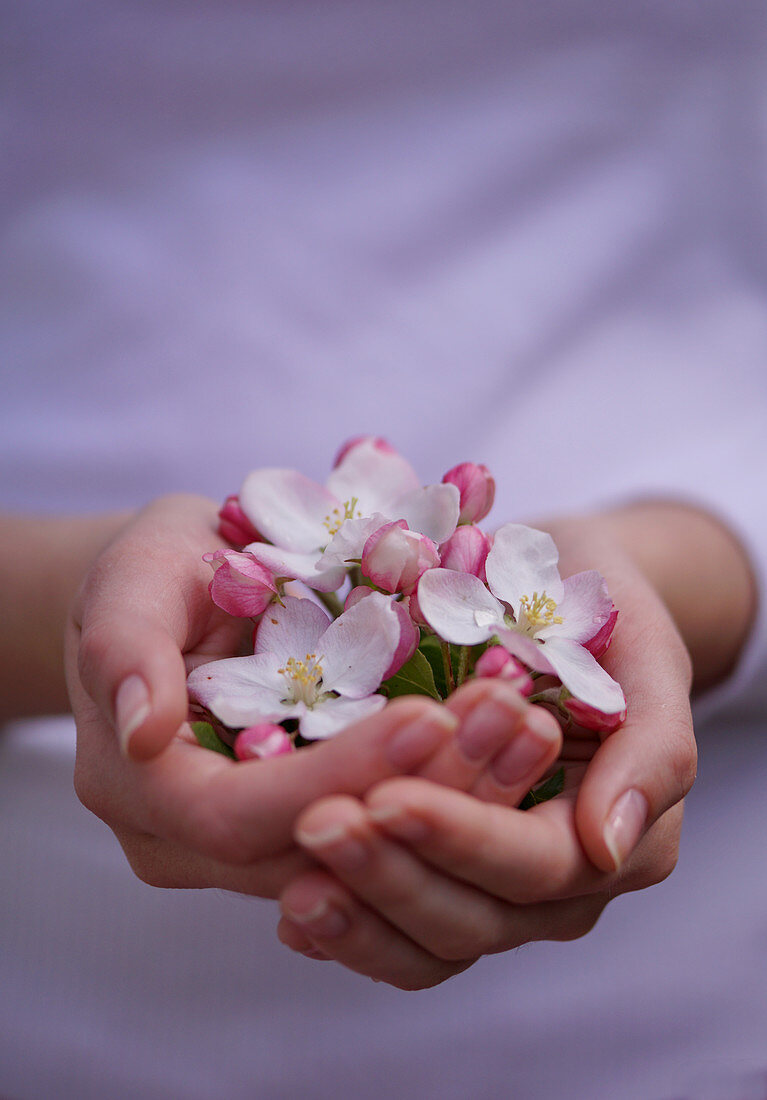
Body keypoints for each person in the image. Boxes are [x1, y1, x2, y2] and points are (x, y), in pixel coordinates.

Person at [2, 1, 766, 1097]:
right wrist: (60, 613)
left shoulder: (494, 605)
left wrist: (703, 568)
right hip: (55, 1006)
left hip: (679, 1030)